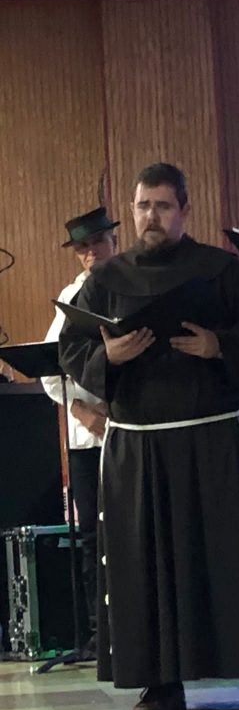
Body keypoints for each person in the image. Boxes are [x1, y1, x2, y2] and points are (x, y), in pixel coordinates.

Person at [59, 163, 239, 710]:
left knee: (236, 555)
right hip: (142, 442)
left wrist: (219, 346)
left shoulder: (223, 270)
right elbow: (72, 347)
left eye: (163, 206)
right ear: (133, 210)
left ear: (184, 211)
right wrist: (107, 356)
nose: (152, 216)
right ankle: (161, 683)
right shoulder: (106, 278)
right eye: (143, 206)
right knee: (150, 564)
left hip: (218, 434)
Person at [41, 207, 119, 657]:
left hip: (131, 429)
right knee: (91, 534)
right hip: (87, 437)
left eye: (97, 244)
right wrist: (82, 411)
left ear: (113, 242)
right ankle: (98, 631)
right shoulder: (69, 299)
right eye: (82, 248)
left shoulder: (132, 285)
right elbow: (50, 371)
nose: (91, 254)